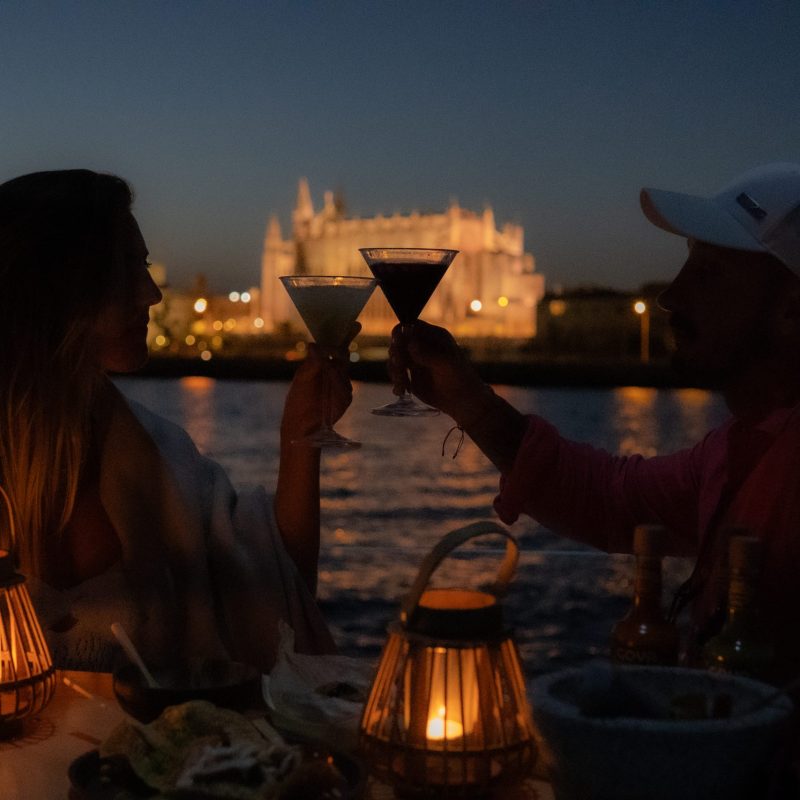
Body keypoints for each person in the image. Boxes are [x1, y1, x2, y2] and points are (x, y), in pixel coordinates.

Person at [389, 163, 800, 683]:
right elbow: (609, 498)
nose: (669, 297)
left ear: (792, 309)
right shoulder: (737, 450)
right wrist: (469, 402)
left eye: (710, 274)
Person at [0, 169, 353, 673]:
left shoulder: (170, 460)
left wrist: (300, 439)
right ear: (51, 285)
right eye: (126, 269)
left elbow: (280, 601)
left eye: (146, 266)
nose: (153, 294)